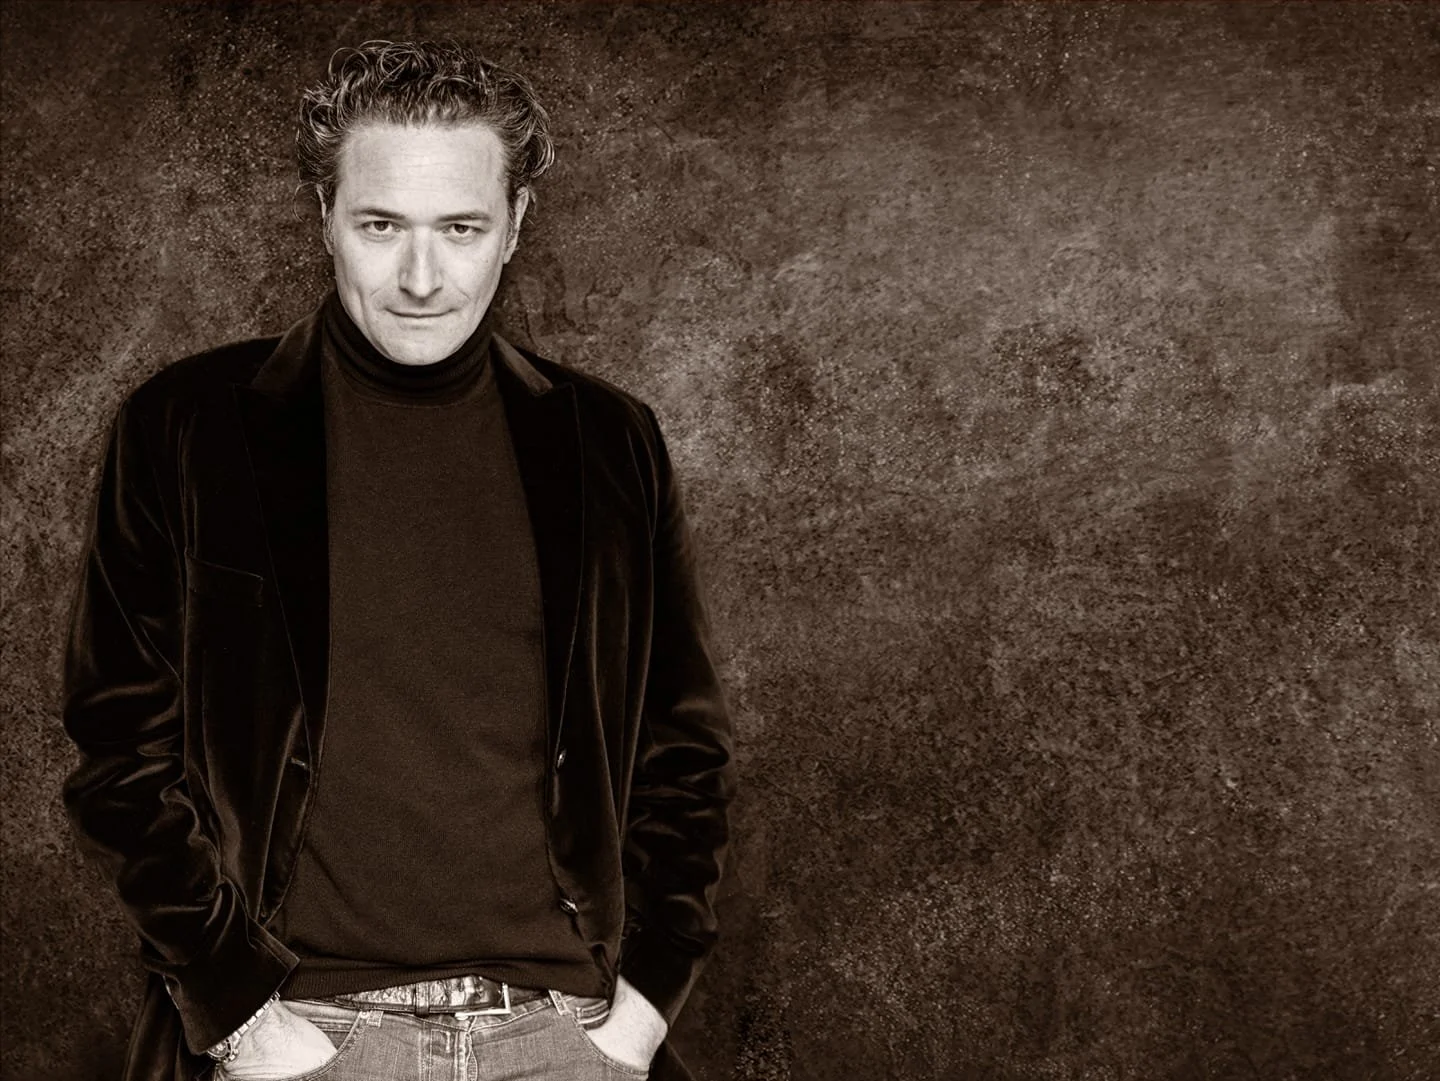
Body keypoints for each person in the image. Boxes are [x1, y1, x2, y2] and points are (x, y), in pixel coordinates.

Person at [60, 39, 734, 1081]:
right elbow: (119, 751)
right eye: (382, 226)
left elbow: (681, 752)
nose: (421, 279)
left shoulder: (609, 443)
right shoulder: (189, 429)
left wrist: (641, 1015)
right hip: (303, 1036)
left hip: (566, 1035)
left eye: (461, 228)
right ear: (325, 215)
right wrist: (243, 1019)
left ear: (515, 224)